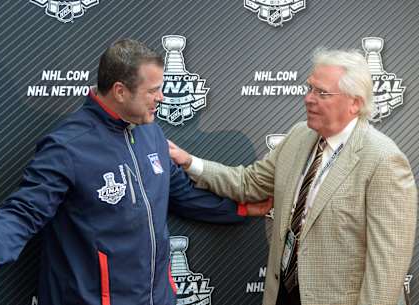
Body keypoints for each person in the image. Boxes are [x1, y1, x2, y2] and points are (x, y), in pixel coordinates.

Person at [0, 39, 270, 305]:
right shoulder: (68, 146)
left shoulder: (152, 133)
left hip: (156, 298)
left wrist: (242, 208)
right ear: (120, 91)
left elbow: (181, 195)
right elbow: (24, 211)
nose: (161, 97)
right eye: (153, 90)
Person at [169, 48, 417, 305]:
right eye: (309, 89)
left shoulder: (384, 161)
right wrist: (190, 162)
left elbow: (387, 270)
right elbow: (250, 183)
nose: (309, 99)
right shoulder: (300, 135)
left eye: (322, 93)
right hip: (284, 294)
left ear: (355, 103)